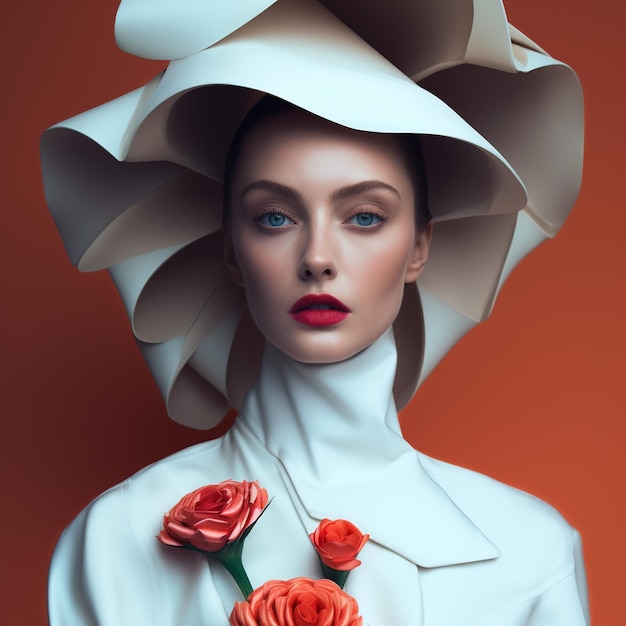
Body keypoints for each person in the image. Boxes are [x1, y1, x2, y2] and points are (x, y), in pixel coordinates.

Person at [42, 0, 588, 623]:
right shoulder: (119, 538)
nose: (318, 258)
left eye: (365, 216)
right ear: (230, 250)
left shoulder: (531, 551)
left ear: (419, 246)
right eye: (275, 216)